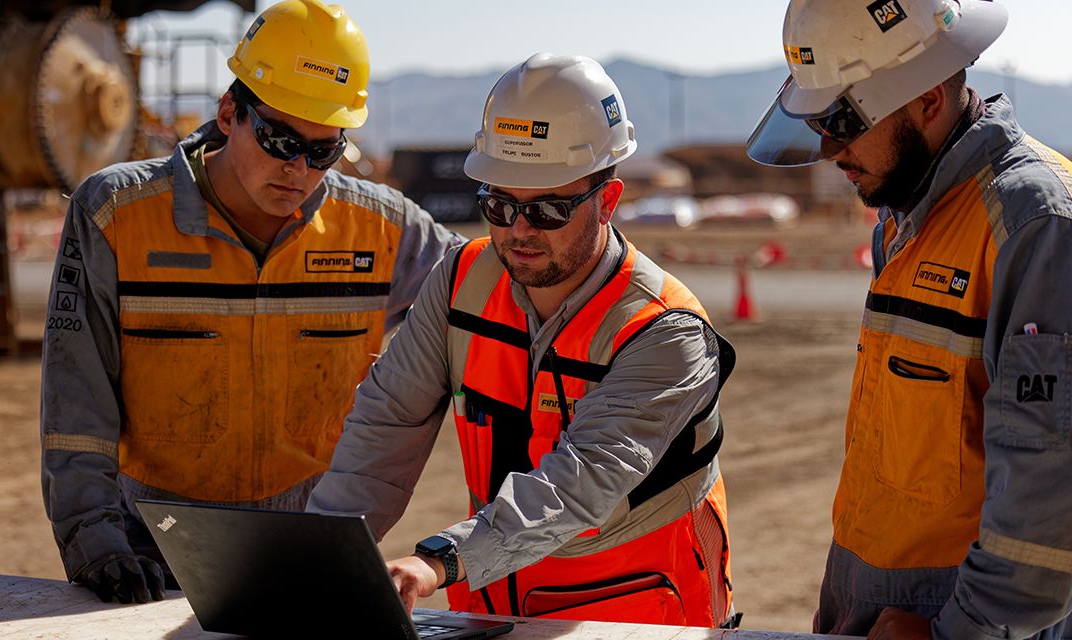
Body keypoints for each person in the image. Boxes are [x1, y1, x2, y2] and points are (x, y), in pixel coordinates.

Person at [40, 0, 461, 605]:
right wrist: (94, 538)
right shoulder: (116, 215)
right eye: (279, 138)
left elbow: (487, 298)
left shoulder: (382, 229)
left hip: (313, 543)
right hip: (151, 548)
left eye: (322, 152)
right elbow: (76, 396)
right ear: (229, 112)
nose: (298, 169)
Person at [307, 53, 738, 628]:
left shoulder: (664, 331)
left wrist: (440, 561)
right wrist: (319, 559)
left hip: (630, 614)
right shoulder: (461, 280)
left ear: (607, 201)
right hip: (494, 607)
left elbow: (578, 483)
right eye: (500, 205)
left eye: (548, 209)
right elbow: (388, 420)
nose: (519, 230)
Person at [747, 1, 1072, 638]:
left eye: (842, 119)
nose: (828, 146)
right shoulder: (903, 208)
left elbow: (1051, 487)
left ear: (927, 100)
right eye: (818, 119)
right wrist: (845, 591)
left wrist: (958, 631)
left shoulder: (1035, 224)